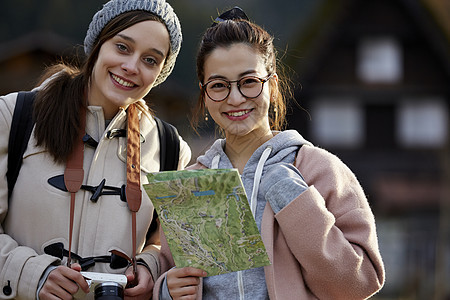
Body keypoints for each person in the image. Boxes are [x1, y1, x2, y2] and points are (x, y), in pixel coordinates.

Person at [153, 7, 385, 300]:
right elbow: (172, 270)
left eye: (249, 82)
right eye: (219, 86)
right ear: (205, 94)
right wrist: (166, 290)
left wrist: (291, 195)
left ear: (272, 86)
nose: (235, 98)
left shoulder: (319, 169)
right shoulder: (191, 182)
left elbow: (359, 284)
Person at [0, 0, 191, 299]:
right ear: (98, 44)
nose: (131, 67)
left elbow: (161, 244)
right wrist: (34, 275)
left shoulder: (171, 148)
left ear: (161, 72)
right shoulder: (14, 116)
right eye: (123, 47)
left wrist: (150, 267)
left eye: (150, 60)